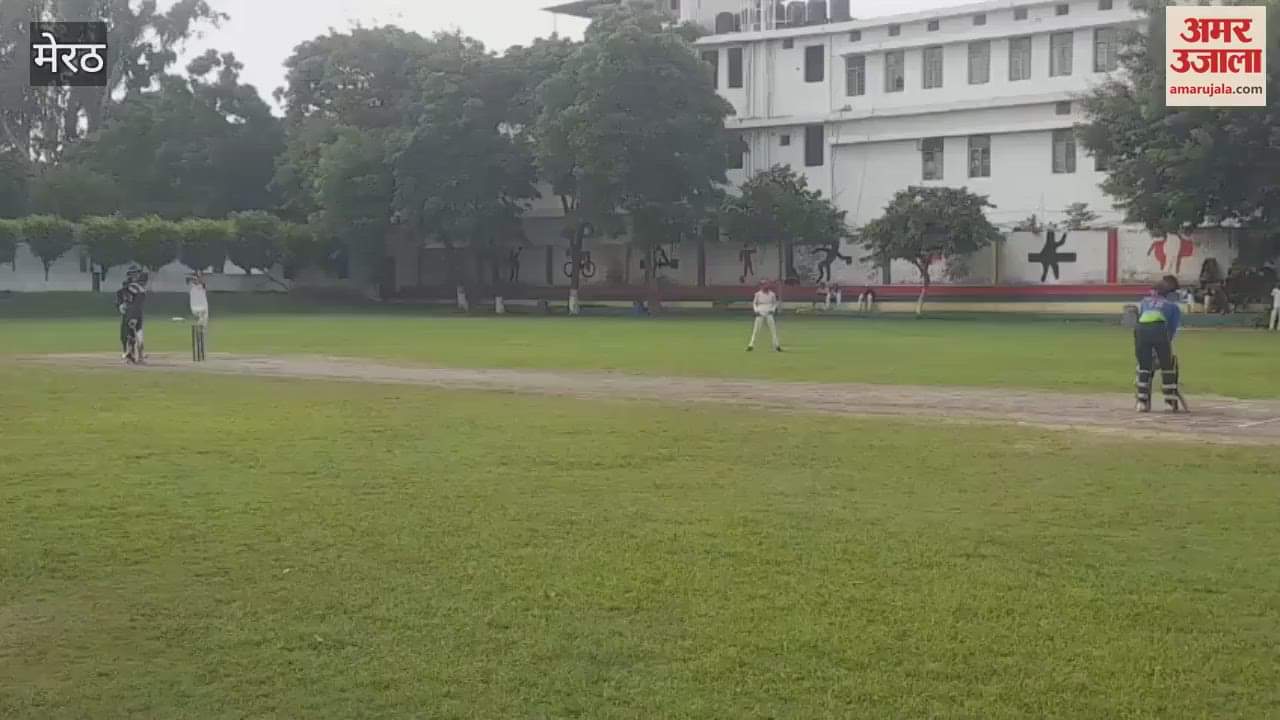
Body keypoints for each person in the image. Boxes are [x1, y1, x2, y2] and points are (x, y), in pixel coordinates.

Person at [1134, 275, 1185, 412]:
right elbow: (1171, 330)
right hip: (1159, 331)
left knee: (1143, 366)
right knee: (1168, 365)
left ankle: (1142, 402)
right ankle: (1170, 402)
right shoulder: (1172, 307)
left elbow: (1141, 320)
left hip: (1140, 332)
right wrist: (1162, 353)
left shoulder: (1144, 302)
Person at [115, 267, 148, 363]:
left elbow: (138, 302)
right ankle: (130, 354)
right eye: (133, 273)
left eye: (136, 273)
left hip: (136, 313)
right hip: (130, 313)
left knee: (137, 334)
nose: (135, 275)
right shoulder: (127, 287)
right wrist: (120, 304)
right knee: (128, 334)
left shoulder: (139, 288)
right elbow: (120, 296)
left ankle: (137, 355)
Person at [747, 280, 782, 352]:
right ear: (761, 286)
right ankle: (751, 345)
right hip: (760, 312)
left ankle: (777, 345)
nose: (764, 286)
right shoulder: (757, 294)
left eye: (766, 284)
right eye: (763, 285)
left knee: (773, 330)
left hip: (769, 312)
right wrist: (756, 311)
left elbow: (774, 303)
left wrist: (772, 310)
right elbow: (754, 303)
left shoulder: (772, 294)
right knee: (756, 330)